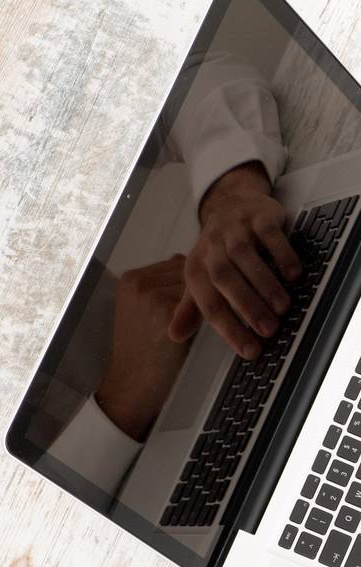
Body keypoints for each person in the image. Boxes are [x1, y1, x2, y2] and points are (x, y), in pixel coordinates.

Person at [48, 51, 298, 494]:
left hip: (226, 344)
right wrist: (122, 403)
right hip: (151, 516)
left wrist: (229, 197)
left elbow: (192, 79)